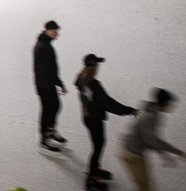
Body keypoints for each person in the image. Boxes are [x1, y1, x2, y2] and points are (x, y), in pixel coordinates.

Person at [75, 54, 138, 189]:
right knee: (98, 146)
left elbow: (79, 86)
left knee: (97, 144)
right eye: (97, 64)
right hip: (95, 119)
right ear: (94, 67)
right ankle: (91, 178)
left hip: (87, 117)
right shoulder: (94, 84)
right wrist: (129, 110)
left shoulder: (81, 79)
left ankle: (95, 169)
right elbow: (108, 103)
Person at [120, 88, 186, 191]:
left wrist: (163, 154)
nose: (171, 107)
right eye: (170, 104)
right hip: (132, 154)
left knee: (142, 185)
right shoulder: (151, 116)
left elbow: (149, 139)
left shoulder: (150, 109)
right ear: (165, 103)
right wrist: (175, 151)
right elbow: (152, 140)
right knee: (146, 188)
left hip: (129, 150)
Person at [34, 20, 67, 152]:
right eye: (54, 32)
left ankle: (50, 131)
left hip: (45, 83)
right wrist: (60, 84)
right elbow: (50, 70)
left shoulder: (44, 43)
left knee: (54, 107)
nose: (56, 34)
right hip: (45, 84)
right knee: (48, 110)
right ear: (47, 31)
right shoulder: (44, 47)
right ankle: (45, 138)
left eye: (56, 31)